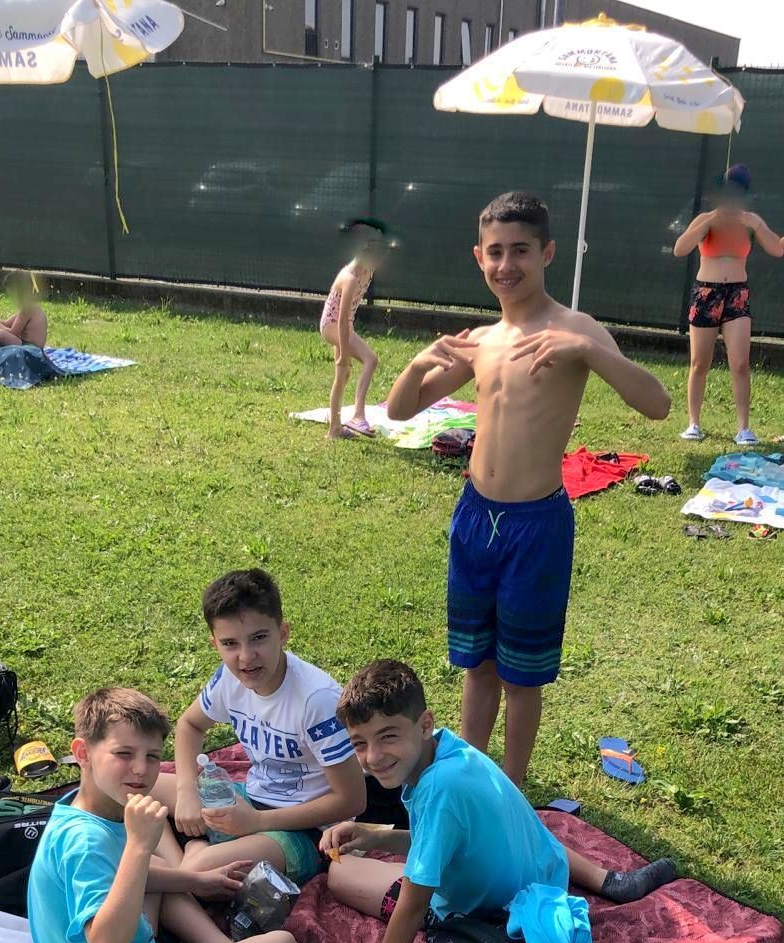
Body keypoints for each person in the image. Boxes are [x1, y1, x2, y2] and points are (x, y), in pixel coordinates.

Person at [386, 192, 670, 787]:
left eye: (520, 250)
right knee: (477, 664)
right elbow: (400, 409)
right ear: (479, 257)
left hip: (536, 525)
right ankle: (471, 776)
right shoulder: (484, 339)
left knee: (521, 674)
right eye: (495, 252)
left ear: (548, 253)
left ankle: (512, 787)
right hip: (475, 517)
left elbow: (657, 405)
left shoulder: (574, 329)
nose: (506, 264)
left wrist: (588, 351)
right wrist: (416, 365)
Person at [315, 660, 677, 943]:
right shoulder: (449, 748)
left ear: (423, 724)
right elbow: (441, 840)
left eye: (387, 736)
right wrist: (377, 837)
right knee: (383, 862)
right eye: (359, 743)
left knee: (341, 872)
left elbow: (413, 905)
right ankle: (606, 881)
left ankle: (602, 883)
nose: (373, 757)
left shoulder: (438, 791)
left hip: (494, 918)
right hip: (542, 877)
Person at [27, 687, 301, 943]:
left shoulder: (83, 810)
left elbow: (129, 875)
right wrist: (140, 846)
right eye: (124, 754)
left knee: (148, 871)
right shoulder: (86, 843)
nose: (141, 769)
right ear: (82, 754)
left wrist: (197, 880)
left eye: (153, 756)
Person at [151, 568, 366, 887]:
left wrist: (256, 822)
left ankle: (181, 861)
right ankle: (177, 868)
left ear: (283, 633)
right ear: (214, 644)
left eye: (259, 638)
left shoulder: (317, 700)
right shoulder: (229, 677)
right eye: (230, 643)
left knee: (199, 869)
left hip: (306, 831)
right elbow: (190, 725)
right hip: (249, 800)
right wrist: (186, 793)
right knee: (132, 784)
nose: (246, 657)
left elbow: (352, 800)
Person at [673, 164, 783, 444]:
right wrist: (708, 221)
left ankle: (743, 428)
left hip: (737, 295)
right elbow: (680, 249)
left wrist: (756, 225)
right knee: (699, 362)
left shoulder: (750, 221)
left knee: (740, 363)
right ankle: (694, 423)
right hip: (706, 293)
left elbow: (777, 249)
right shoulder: (707, 219)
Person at [320, 218, 389, 440]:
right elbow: (340, 320)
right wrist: (343, 354)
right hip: (333, 325)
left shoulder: (368, 270)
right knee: (371, 360)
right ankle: (358, 415)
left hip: (343, 325)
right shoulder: (350, 277)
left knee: (343, 376)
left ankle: (334, 429)